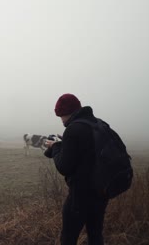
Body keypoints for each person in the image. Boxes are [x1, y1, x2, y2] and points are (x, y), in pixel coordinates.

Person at [44, 93, 109, 245]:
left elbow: (64, 167)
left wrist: (55, 146)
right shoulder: (98, 124)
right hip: (102, 192)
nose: (61, 121)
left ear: (65, 113)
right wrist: (65, 144)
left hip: (80, 196)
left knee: (68, 238)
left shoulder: (74, 129)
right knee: (95, 234)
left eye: (61, 116)